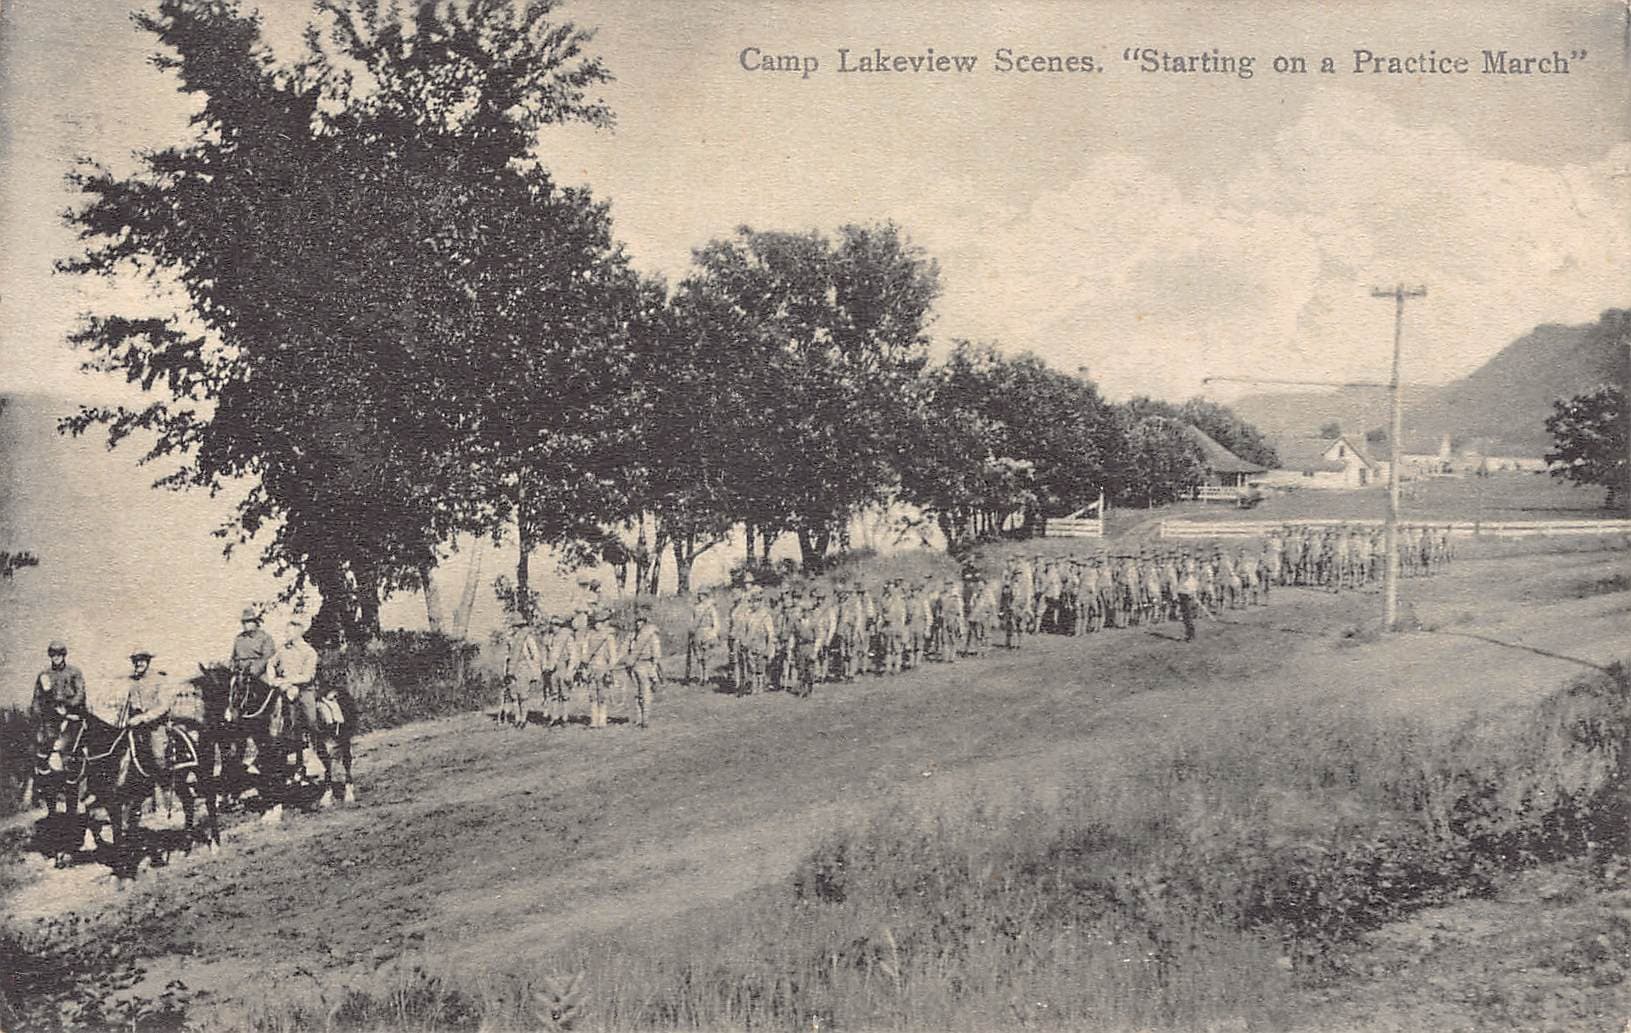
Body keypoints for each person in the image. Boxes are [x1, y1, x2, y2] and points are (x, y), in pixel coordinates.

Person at [264, 619, 322, 817]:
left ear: (298, 633)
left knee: (311, 720)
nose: (286, 635)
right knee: (270, 718)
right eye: (286, 632)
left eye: (289, 632)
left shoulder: (309, 652)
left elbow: (308, 676)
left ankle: (313, 751)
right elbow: (270, 664)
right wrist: (273, 679)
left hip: (304, 690)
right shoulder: (283, 650)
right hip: (284, 689)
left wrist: (289, 681)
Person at [32, 640, 87, 812]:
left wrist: (65, 706)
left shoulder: (74, 672)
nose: (56, 657)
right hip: (50, 722)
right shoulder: (44, 675)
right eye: (53, 654)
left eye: (59, 654)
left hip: (71, 720)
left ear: (64, 655)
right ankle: (51, 809)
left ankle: (72, 810)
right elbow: (37, 699)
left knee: (70, 762)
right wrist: (39, 715)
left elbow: (80, 694)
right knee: (43, 760)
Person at [503, 616, 545, 729]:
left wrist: (533, 668)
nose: (515, 628)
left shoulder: (527, 638)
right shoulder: (511, 639)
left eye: (517, 626)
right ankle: (517, 717)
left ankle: (523, 719)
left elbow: (535, 654)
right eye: (514, 626)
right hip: (512, 668)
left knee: (523, 694)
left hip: (524, 667)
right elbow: (507, 654)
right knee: (513, 694)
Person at [624, 610, 662, 729]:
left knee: (645, 693)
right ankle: (638, 718)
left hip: (646, 664)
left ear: (645, 622)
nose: (638, 624)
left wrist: (654, 667)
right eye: (637, 621)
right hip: (634, 665)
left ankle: (645, 719)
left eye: (641, 621)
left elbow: (656, 652)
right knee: (636, 693)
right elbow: (625, 649)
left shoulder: (651, 635)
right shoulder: (632, 635)